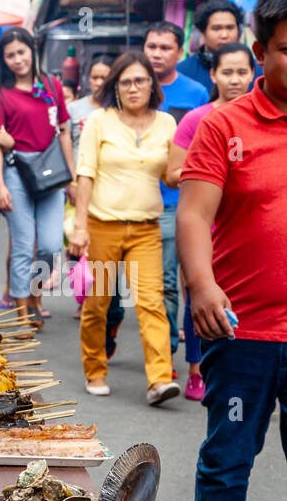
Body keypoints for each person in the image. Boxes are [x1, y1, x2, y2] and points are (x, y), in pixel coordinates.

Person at [177, 0, 287, 501]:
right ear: (259, 53)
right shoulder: (224, 125)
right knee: (227, 461)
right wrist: (201, 286)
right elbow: (193, 213)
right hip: (241, 328)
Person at [68, 53, 180, 404]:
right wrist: (80, 226)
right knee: (98, 304)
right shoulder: (99, 121)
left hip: (147, 228)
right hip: (102, 226)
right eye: (126, 82)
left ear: (152, 84)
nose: (133, 88)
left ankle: (159, 380)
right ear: (116, 87)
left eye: (140, 80)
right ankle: (95, 369)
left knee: (151, 303)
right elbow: (84, 174)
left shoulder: (167, 123)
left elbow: (171, 175)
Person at [165, 42, 256, 401]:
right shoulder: (196, 118)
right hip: (203, 225)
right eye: (227, 72)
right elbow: (172, 172)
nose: (235, 80)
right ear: (213, 75)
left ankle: (247, 375)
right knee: (198, 295)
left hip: (245, 229)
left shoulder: (265, 120)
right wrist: (213, 172)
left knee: (244, 301)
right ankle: (195, 369)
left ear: (253, 73)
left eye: (242, 72)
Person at [0, 27, 74, 329]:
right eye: (10, 55)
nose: (17, 59)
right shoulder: (1, 95)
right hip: (16, 173)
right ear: (4, 60)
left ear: (32, 51)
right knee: (23, 246)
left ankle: (36, 294)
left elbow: (64, 130)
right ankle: (24, 311)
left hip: (51, 172)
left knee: (51, 246)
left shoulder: (52, 85)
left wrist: (72, 177)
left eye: (21, 52)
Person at [144, 21, 210, 363]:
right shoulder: (133, 85)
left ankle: (165, 354)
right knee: (120, 288)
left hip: (173, 201)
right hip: (133, 203)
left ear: (179, 52)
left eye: (164, 47)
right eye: (151, 46)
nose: (156, 53)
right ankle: (113, 323)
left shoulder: (197, 92)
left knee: (170, 282)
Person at [65, 56, 114, 322]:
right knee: (74, 244)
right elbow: (66, 147)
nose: (98, 83)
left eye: (104, 77)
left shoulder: (118, 111)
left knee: (100, 247)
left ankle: (98, 301)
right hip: (75, 187)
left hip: (107, 189)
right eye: (94, 77)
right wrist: (71, 183)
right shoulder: (74, 110)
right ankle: (81, 299)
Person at [177, 0, 260, 91]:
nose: (224, 35)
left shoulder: (258, 71)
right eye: (216, 28)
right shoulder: (183, 72)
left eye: (230, 28)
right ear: (202, 32)